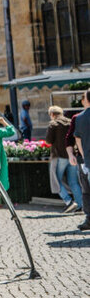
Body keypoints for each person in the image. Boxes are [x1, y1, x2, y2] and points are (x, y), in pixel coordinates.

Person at [45, 106, 81, 214]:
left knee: (56, 180)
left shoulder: (53, 124)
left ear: (52, 114)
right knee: (74, 182)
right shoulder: (71, 122)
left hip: (59, 156)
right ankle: (80, 205)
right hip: (72, 156)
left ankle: (68, 201)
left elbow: (48, 141)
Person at [70, 91, 90, 231]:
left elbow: (77, 140)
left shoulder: (80, 118)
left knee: (87, 191)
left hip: (88, 160)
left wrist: (85, 156)